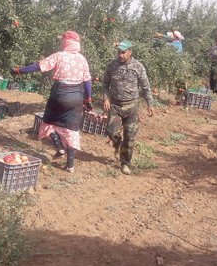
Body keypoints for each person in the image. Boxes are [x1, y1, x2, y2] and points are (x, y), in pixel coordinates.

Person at [11, 30, 92, 173]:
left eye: (63, 40)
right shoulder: (82, 59)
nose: (61, 42)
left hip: (59, 95)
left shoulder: (59, 56)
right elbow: (87, 80)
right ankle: (70, 165)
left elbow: (39, 66)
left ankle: (60, 148)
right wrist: (88, 98)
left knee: (48, 122)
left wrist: (19, 70)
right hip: (76, 97)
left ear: (68, 42)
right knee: (71, 129)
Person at [102, 40, 155, 175]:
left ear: (130, 52)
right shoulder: (112, 66)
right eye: (119, 52)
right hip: (115, 105)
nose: (120, 55)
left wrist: (150, 104)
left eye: (123, 52)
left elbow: (145, 87)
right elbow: (105, 84)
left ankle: (125, 163)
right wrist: (106, 98)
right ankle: (117, 143)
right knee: (111, 131)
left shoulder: (138, 67)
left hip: (132, 107)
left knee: (130, 137)